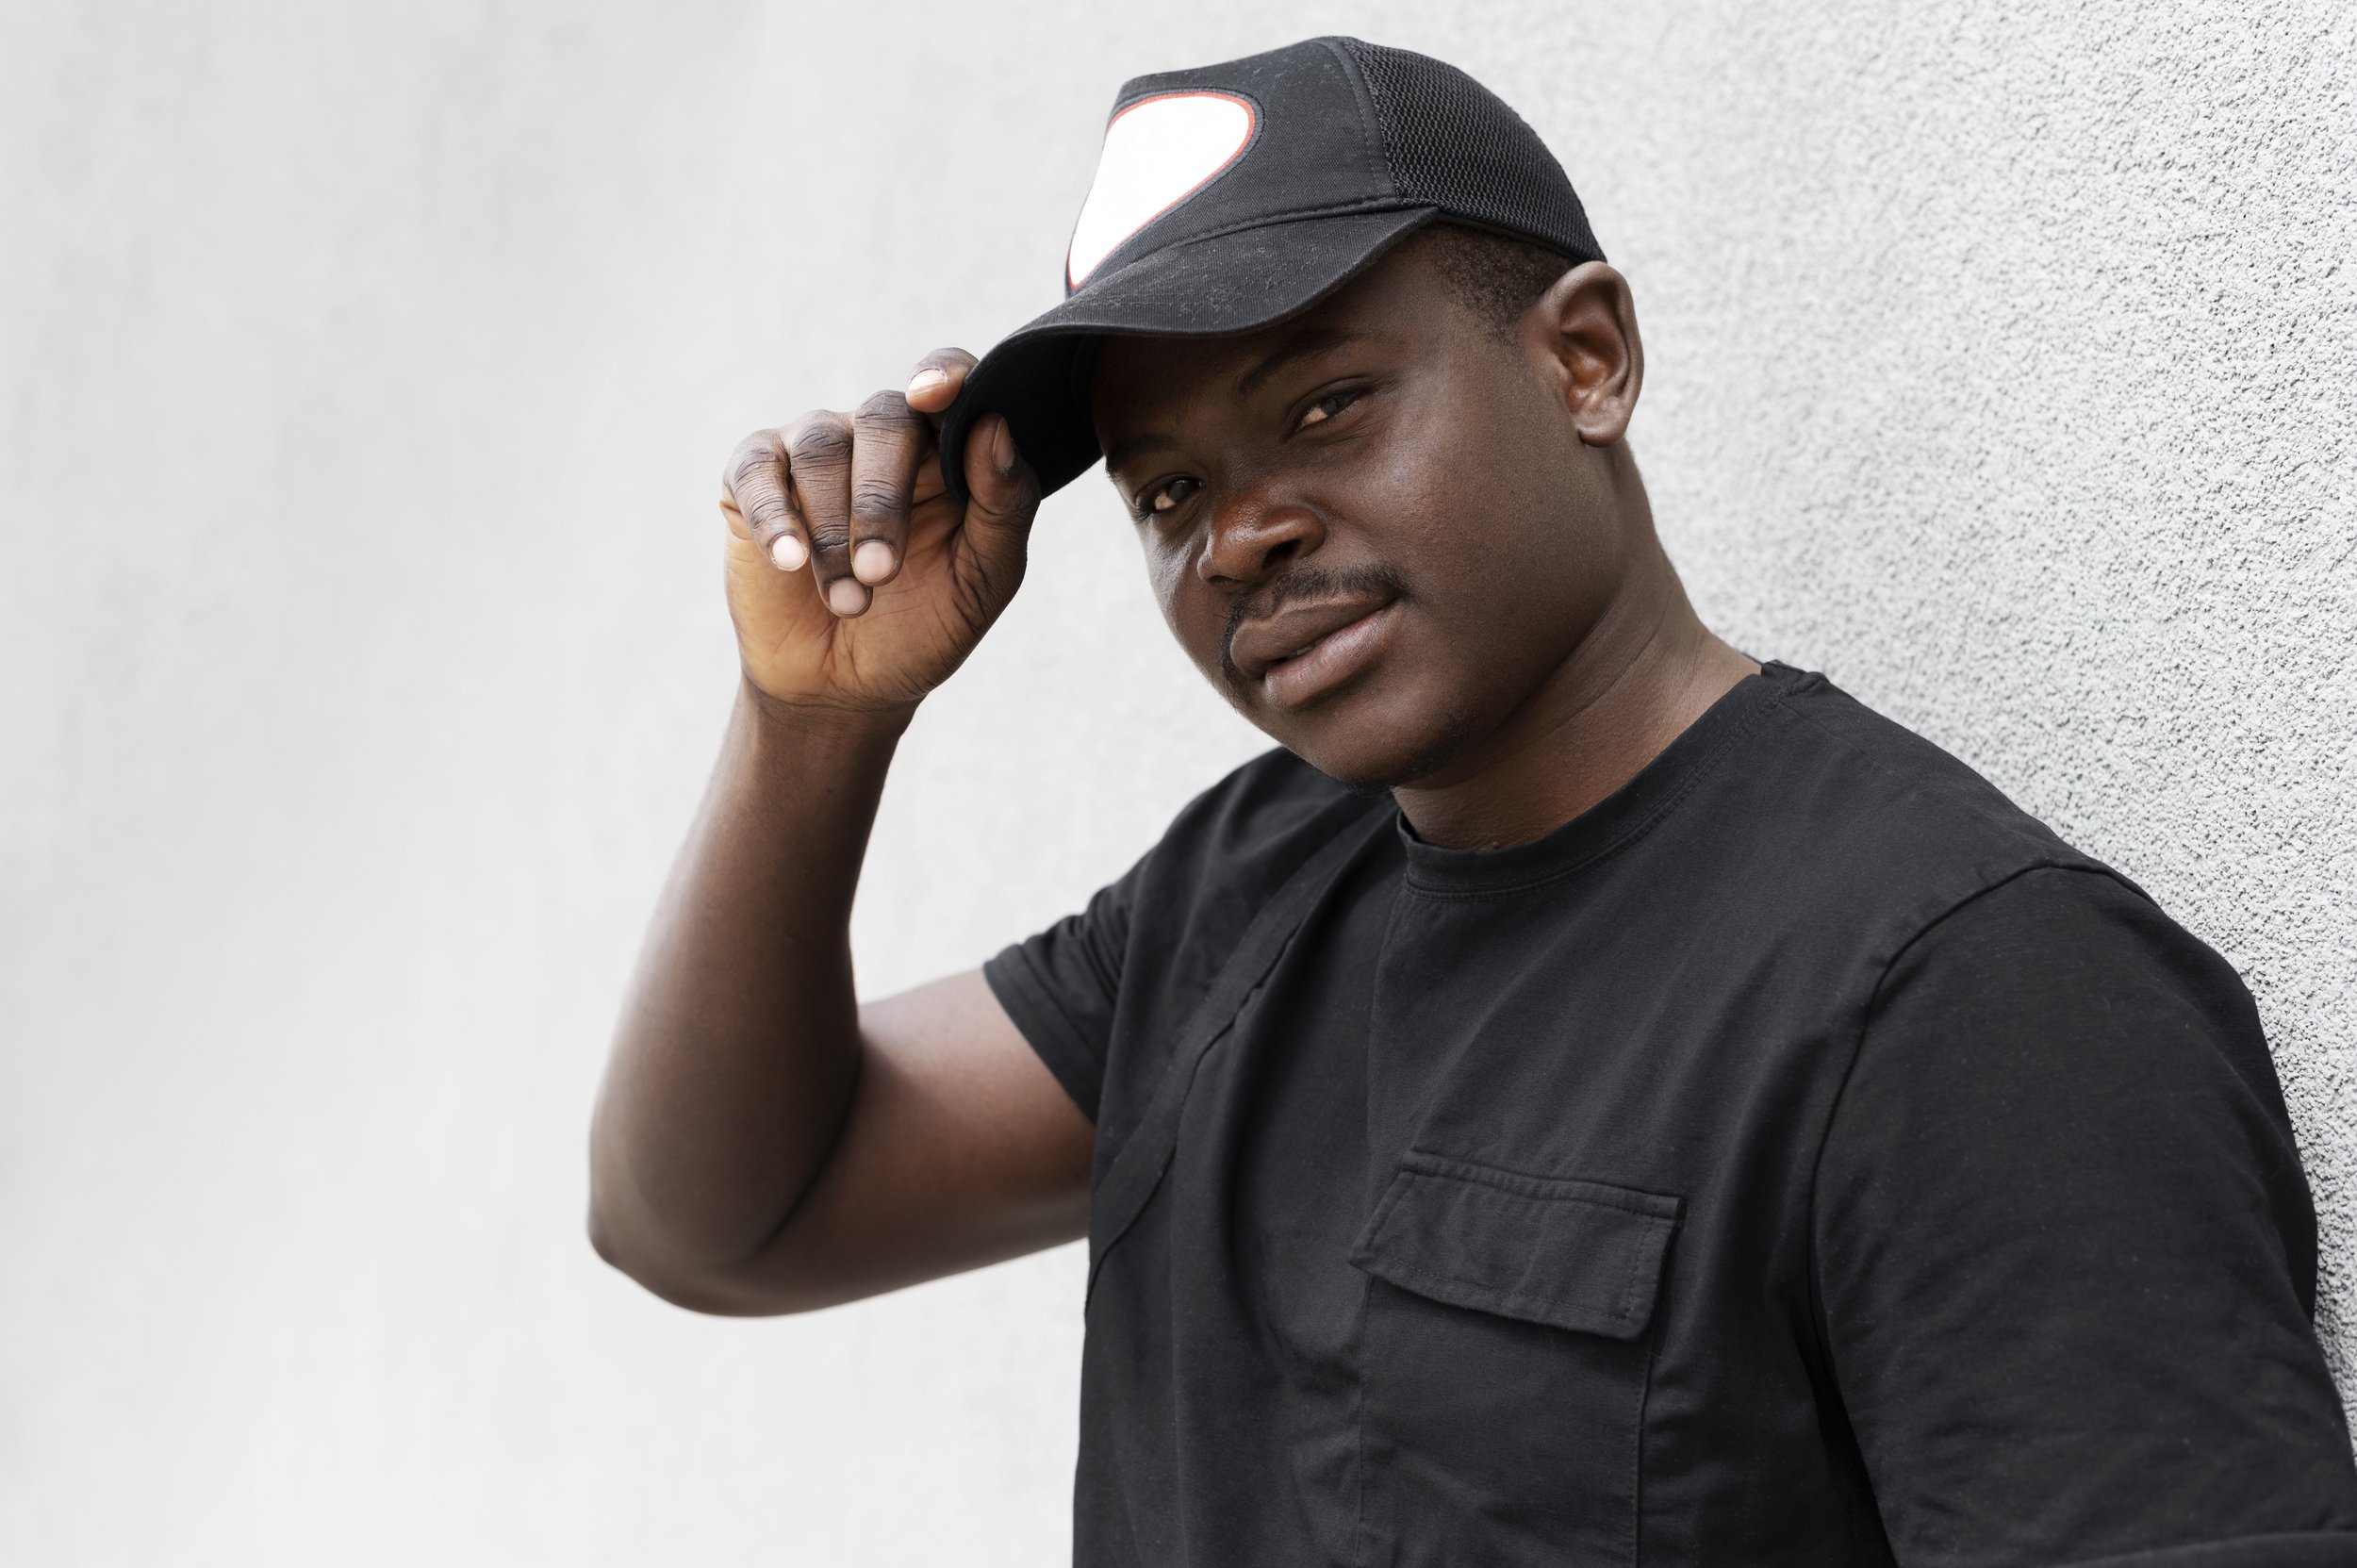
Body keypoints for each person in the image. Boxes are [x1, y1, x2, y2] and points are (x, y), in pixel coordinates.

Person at [586, 35, 2357, 1567]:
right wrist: (813, 727)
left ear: (1584, 361)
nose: (1243, 531)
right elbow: (718, 1217)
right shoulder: (1244, 889)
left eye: (1331, 404)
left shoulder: (1972, 999)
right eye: (1170, 488)